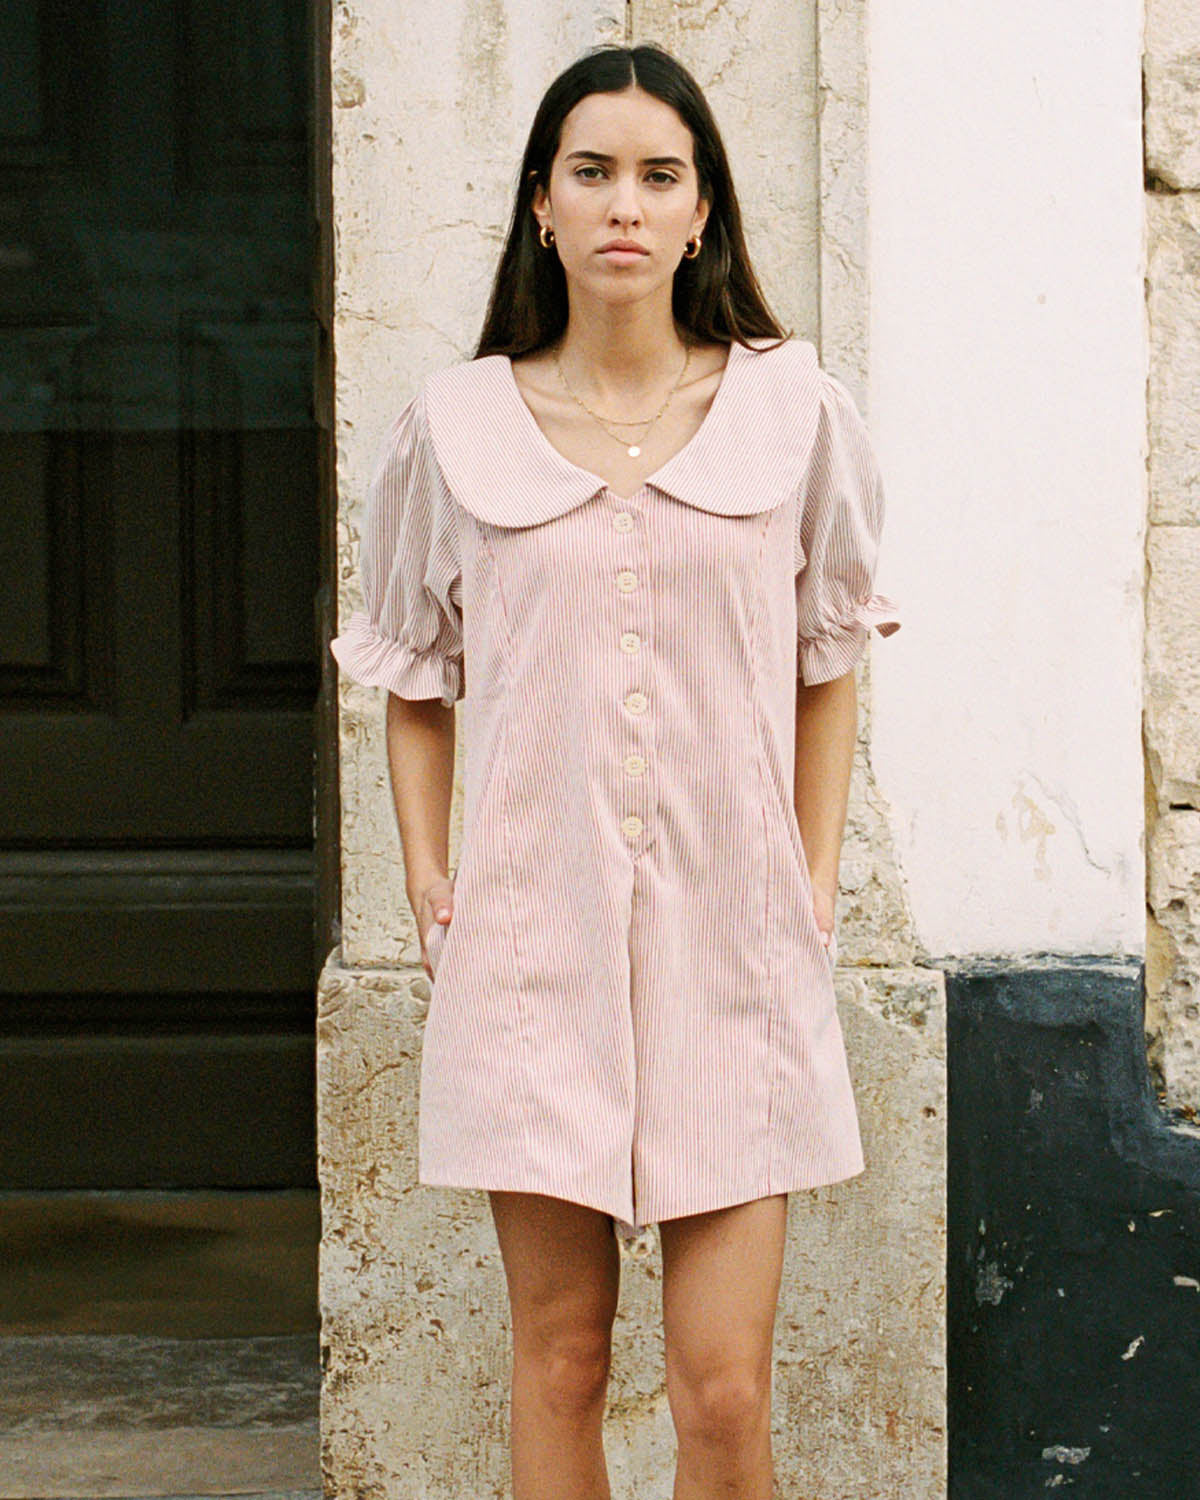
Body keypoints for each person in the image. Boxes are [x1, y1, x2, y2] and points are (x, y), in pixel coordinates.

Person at [329, 40, 901, 1500]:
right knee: (563, 1361)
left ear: (703, 210)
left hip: (735, 947)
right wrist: (430, 877)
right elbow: (415, 676)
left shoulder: (795, 416)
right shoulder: (454, 431)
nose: (625, 206)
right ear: (542, 205)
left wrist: (816, 877)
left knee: (721, 1392)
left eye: (660, 174)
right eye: (592, 173)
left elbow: (826, 656)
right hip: (536, 952)